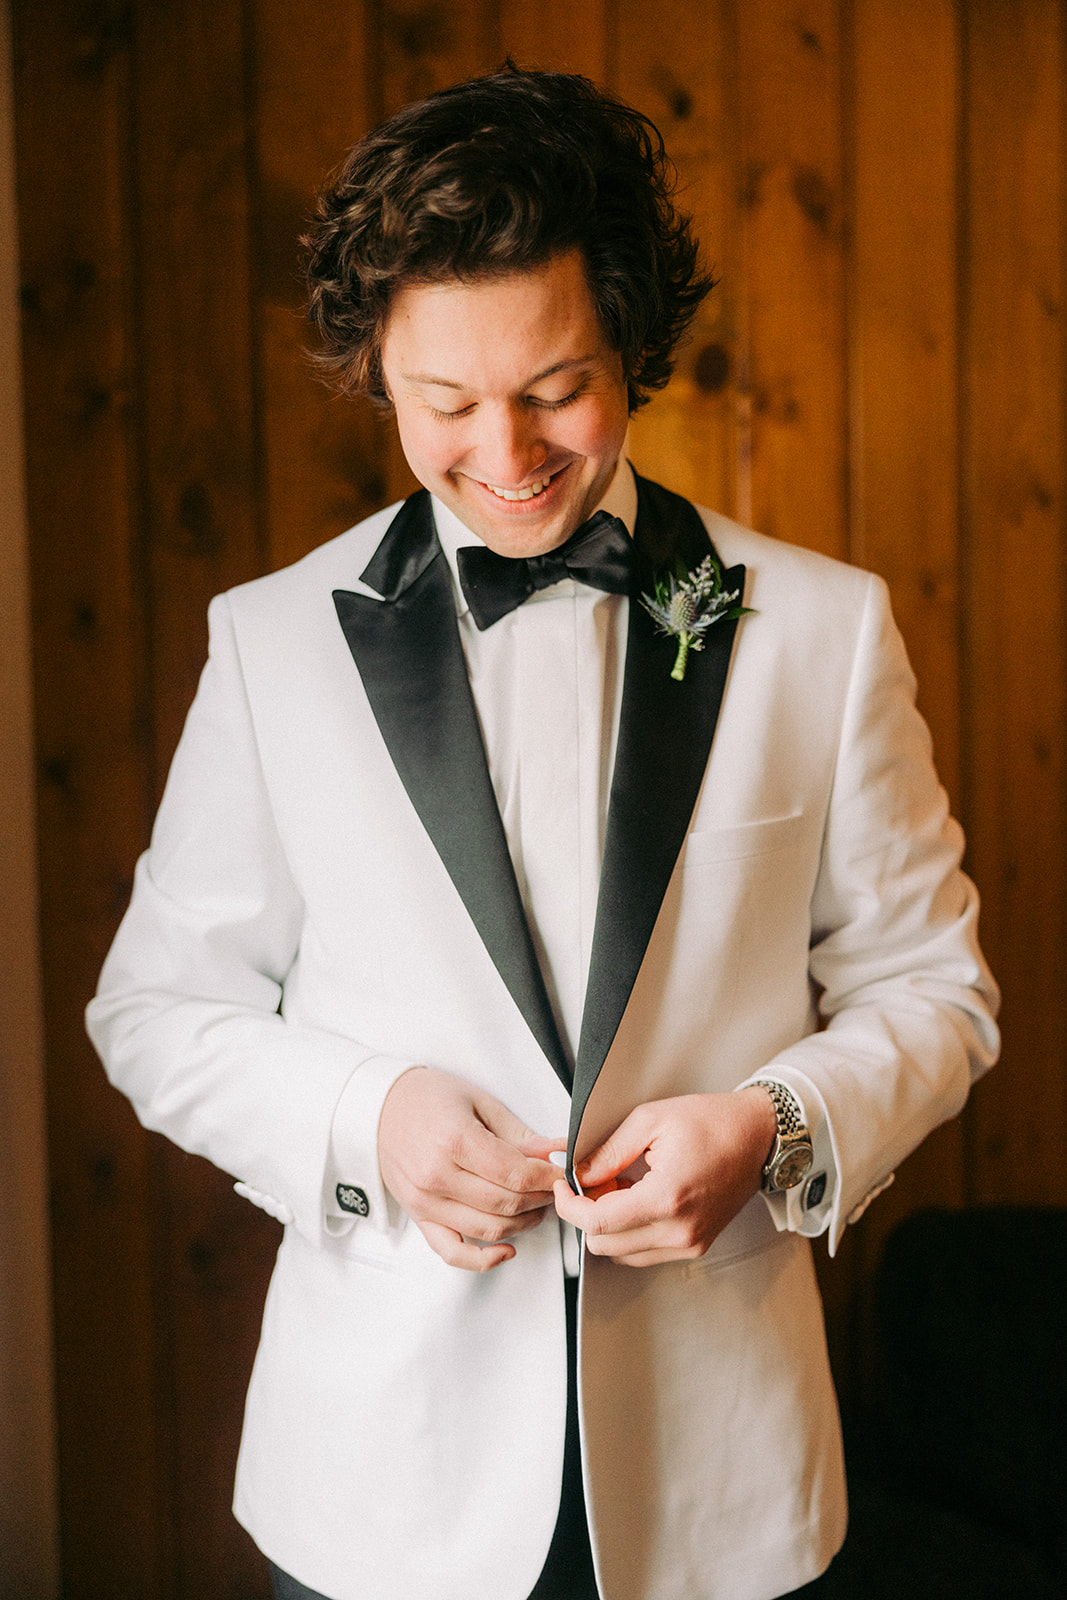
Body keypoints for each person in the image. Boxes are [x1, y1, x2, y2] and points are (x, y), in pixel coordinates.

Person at [87, 65, 999, 1600]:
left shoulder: (822, 632)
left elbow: (937, 992)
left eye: (556, 388)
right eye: (446, 405)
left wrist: (775, 1127)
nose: (505, 455)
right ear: (379, 374)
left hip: (721, 1485)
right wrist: (368, 1117)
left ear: (632, 343)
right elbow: (155, 1010)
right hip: (380, 1488)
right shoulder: (270, 644)